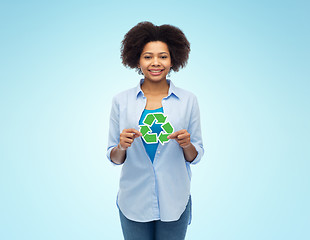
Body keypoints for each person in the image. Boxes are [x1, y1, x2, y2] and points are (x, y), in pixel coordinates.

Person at [106, 21, 204, 240]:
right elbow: (114, 156)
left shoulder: (188, 100)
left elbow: (196, 155)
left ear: (173, 60)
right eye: (148, 56)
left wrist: (187, 144)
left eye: (163, 56)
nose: (155, 63)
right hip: (133, 199)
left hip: (175, 199)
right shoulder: (121, 101)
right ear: (137, 60)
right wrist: (121, 146)